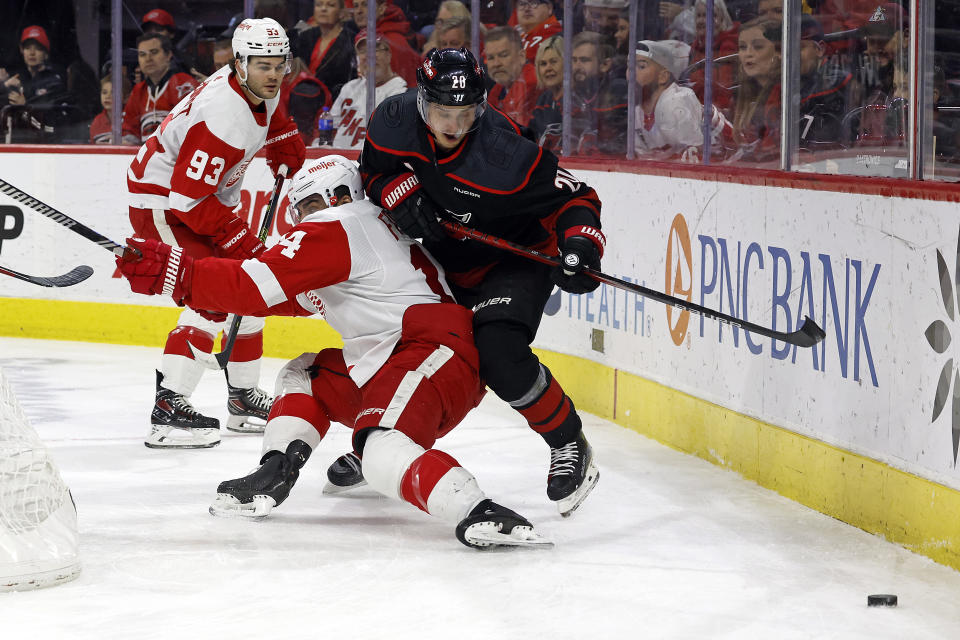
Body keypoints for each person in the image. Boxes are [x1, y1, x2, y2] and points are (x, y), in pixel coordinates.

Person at [116, 156, 550, 550]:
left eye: (303, 208)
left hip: (433, 354)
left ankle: (477, 509)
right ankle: (277, 469)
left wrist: (175, 271)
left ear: (335, 196)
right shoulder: (364, 232)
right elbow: (277, 297)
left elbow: (252, 286)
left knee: (380, 453)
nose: (300, 222)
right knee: (304, 372)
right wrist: (201, 286)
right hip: (404, 362)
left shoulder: (343, 223)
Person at [357, 48, 602, 517]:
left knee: (497, 353)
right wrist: (390, 190)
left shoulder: (506, 155)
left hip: (510, 259)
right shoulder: (392, 118)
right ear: (421, 98)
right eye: (442, 112)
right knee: (402, 348)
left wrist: (582, 244)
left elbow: (578, 197)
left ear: (481, 107)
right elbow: (372, 171)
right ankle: (391, 438)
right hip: (442, 261)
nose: (452, 125)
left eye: (465, 113)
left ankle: (568, 440)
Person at [125, 17, 306, 449]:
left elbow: (272, 109)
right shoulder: (222, 117)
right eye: (264, 65)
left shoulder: (257, 82)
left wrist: (282, 136)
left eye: (280, 64)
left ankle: (242, 399)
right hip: (163, 203)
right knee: (211, 295)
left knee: (251, 286)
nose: (274, 74)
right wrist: (239, 238)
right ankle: (169, 408)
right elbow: (187, 201)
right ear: (240, 64)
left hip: (202, 200)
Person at [632, 39, 732, 162]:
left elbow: (696, 160)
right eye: (630, 66)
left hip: (734, 160)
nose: (631, 72)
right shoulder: (638, 110)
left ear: (663, 76)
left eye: (641, 66)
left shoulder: (675, 102)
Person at [327, 30, 407, 148]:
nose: (369, 56)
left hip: (365, 161)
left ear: (388, 55)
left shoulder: (399, 93)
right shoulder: (350, 87)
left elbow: (386, 141)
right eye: (363, 51)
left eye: (375, 49)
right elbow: (329, 129)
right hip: (336, 159)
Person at [121, 33, 198, 144]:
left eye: (154, 52)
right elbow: (129, 131)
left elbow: (192, 130)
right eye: (142, 54)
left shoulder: (185, 84)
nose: (148, 59)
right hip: (148, 157)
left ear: (168, 55)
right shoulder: (138, 91)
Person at [728, 18, 781, 163]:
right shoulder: (739, 95)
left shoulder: (786, 94)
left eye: (757, 47)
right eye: (742, 47)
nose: (748, 54)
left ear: (778, 52)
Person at [570, 30, 628, 155]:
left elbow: (620, 145)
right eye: (574, 60)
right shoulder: (572, 95)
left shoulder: (617, 92)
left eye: (584, 60)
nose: (577, 66)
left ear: (605, 65)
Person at [294, 0, 357, 102]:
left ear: (341, 13)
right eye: (319, 5)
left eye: (330, 5)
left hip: (335, 102)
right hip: (302, 98)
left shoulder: (351, 41)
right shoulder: (305, 36)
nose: (323, 9)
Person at [351, 0, 421, 86]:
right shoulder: (362, 36)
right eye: (355, 6)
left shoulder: (393, 41)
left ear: (381, 9)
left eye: (366, 5)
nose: (359, 11)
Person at [485, 27, 540, 126]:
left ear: (521, 57)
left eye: (503, 55)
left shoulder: (532, 84)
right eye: (491, 58)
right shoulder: (498, 89)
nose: (496, 63)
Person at [528, 34, 564, 150]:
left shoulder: (575, 99)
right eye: (543, 64)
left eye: (553, 62)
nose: (548, 68)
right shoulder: (544, 99)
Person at [89, 74, 131, 144]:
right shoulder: (97, 122)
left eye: (113, 93)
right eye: (104, 92)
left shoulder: (131, 119)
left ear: (126, 98)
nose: (107, 96)